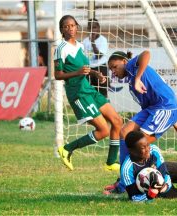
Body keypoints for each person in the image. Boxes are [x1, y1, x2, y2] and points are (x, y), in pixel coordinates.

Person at [104, 50, 177, 194]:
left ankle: (154, 181)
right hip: (153, 109)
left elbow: (146, 54)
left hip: (165, 107)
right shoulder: (132, 85)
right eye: (111, 69)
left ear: (124, 62)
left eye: (115, 66)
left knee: (139, 142)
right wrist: (175, 123)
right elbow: (147, 105)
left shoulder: (133, 67)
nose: (113, 71)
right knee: (125, 132)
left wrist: (138, 78)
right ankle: (124, 181)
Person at [53, 15, 123, 171]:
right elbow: (58, 75)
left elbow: (84, 69)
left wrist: (95, 74)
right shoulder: (61, 49)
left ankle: (111, 162)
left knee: (117, 120)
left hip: (88, 89)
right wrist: (78, 72)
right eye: (66, 26)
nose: (70, 28)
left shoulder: (80, 45)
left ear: (77, 27)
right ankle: (67, 148)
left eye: (72, 25)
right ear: (62, 30)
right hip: (78, 94)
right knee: (103, 130)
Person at [121, 131, 177, 202]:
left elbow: (165, 173)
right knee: (175, 195)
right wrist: (150, 195)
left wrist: (166, 186)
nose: (148, 149)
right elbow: (134, 198)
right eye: (143, 148)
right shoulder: (127, 169)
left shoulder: (154, 150)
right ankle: (119, 184)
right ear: (132, 151)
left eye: (148, 144)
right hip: (149, 188)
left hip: (165, 170)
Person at [83, 18, 110, 97]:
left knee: (102, 92)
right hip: (89, 69)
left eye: (94, 27)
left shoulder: (103, 40)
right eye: (90, 28)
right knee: (89, 92)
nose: (92, 30)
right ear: (88, 29)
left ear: (98, 28)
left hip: (101, 67)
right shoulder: (85, 41)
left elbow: (99, 56)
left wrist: (93, 43)